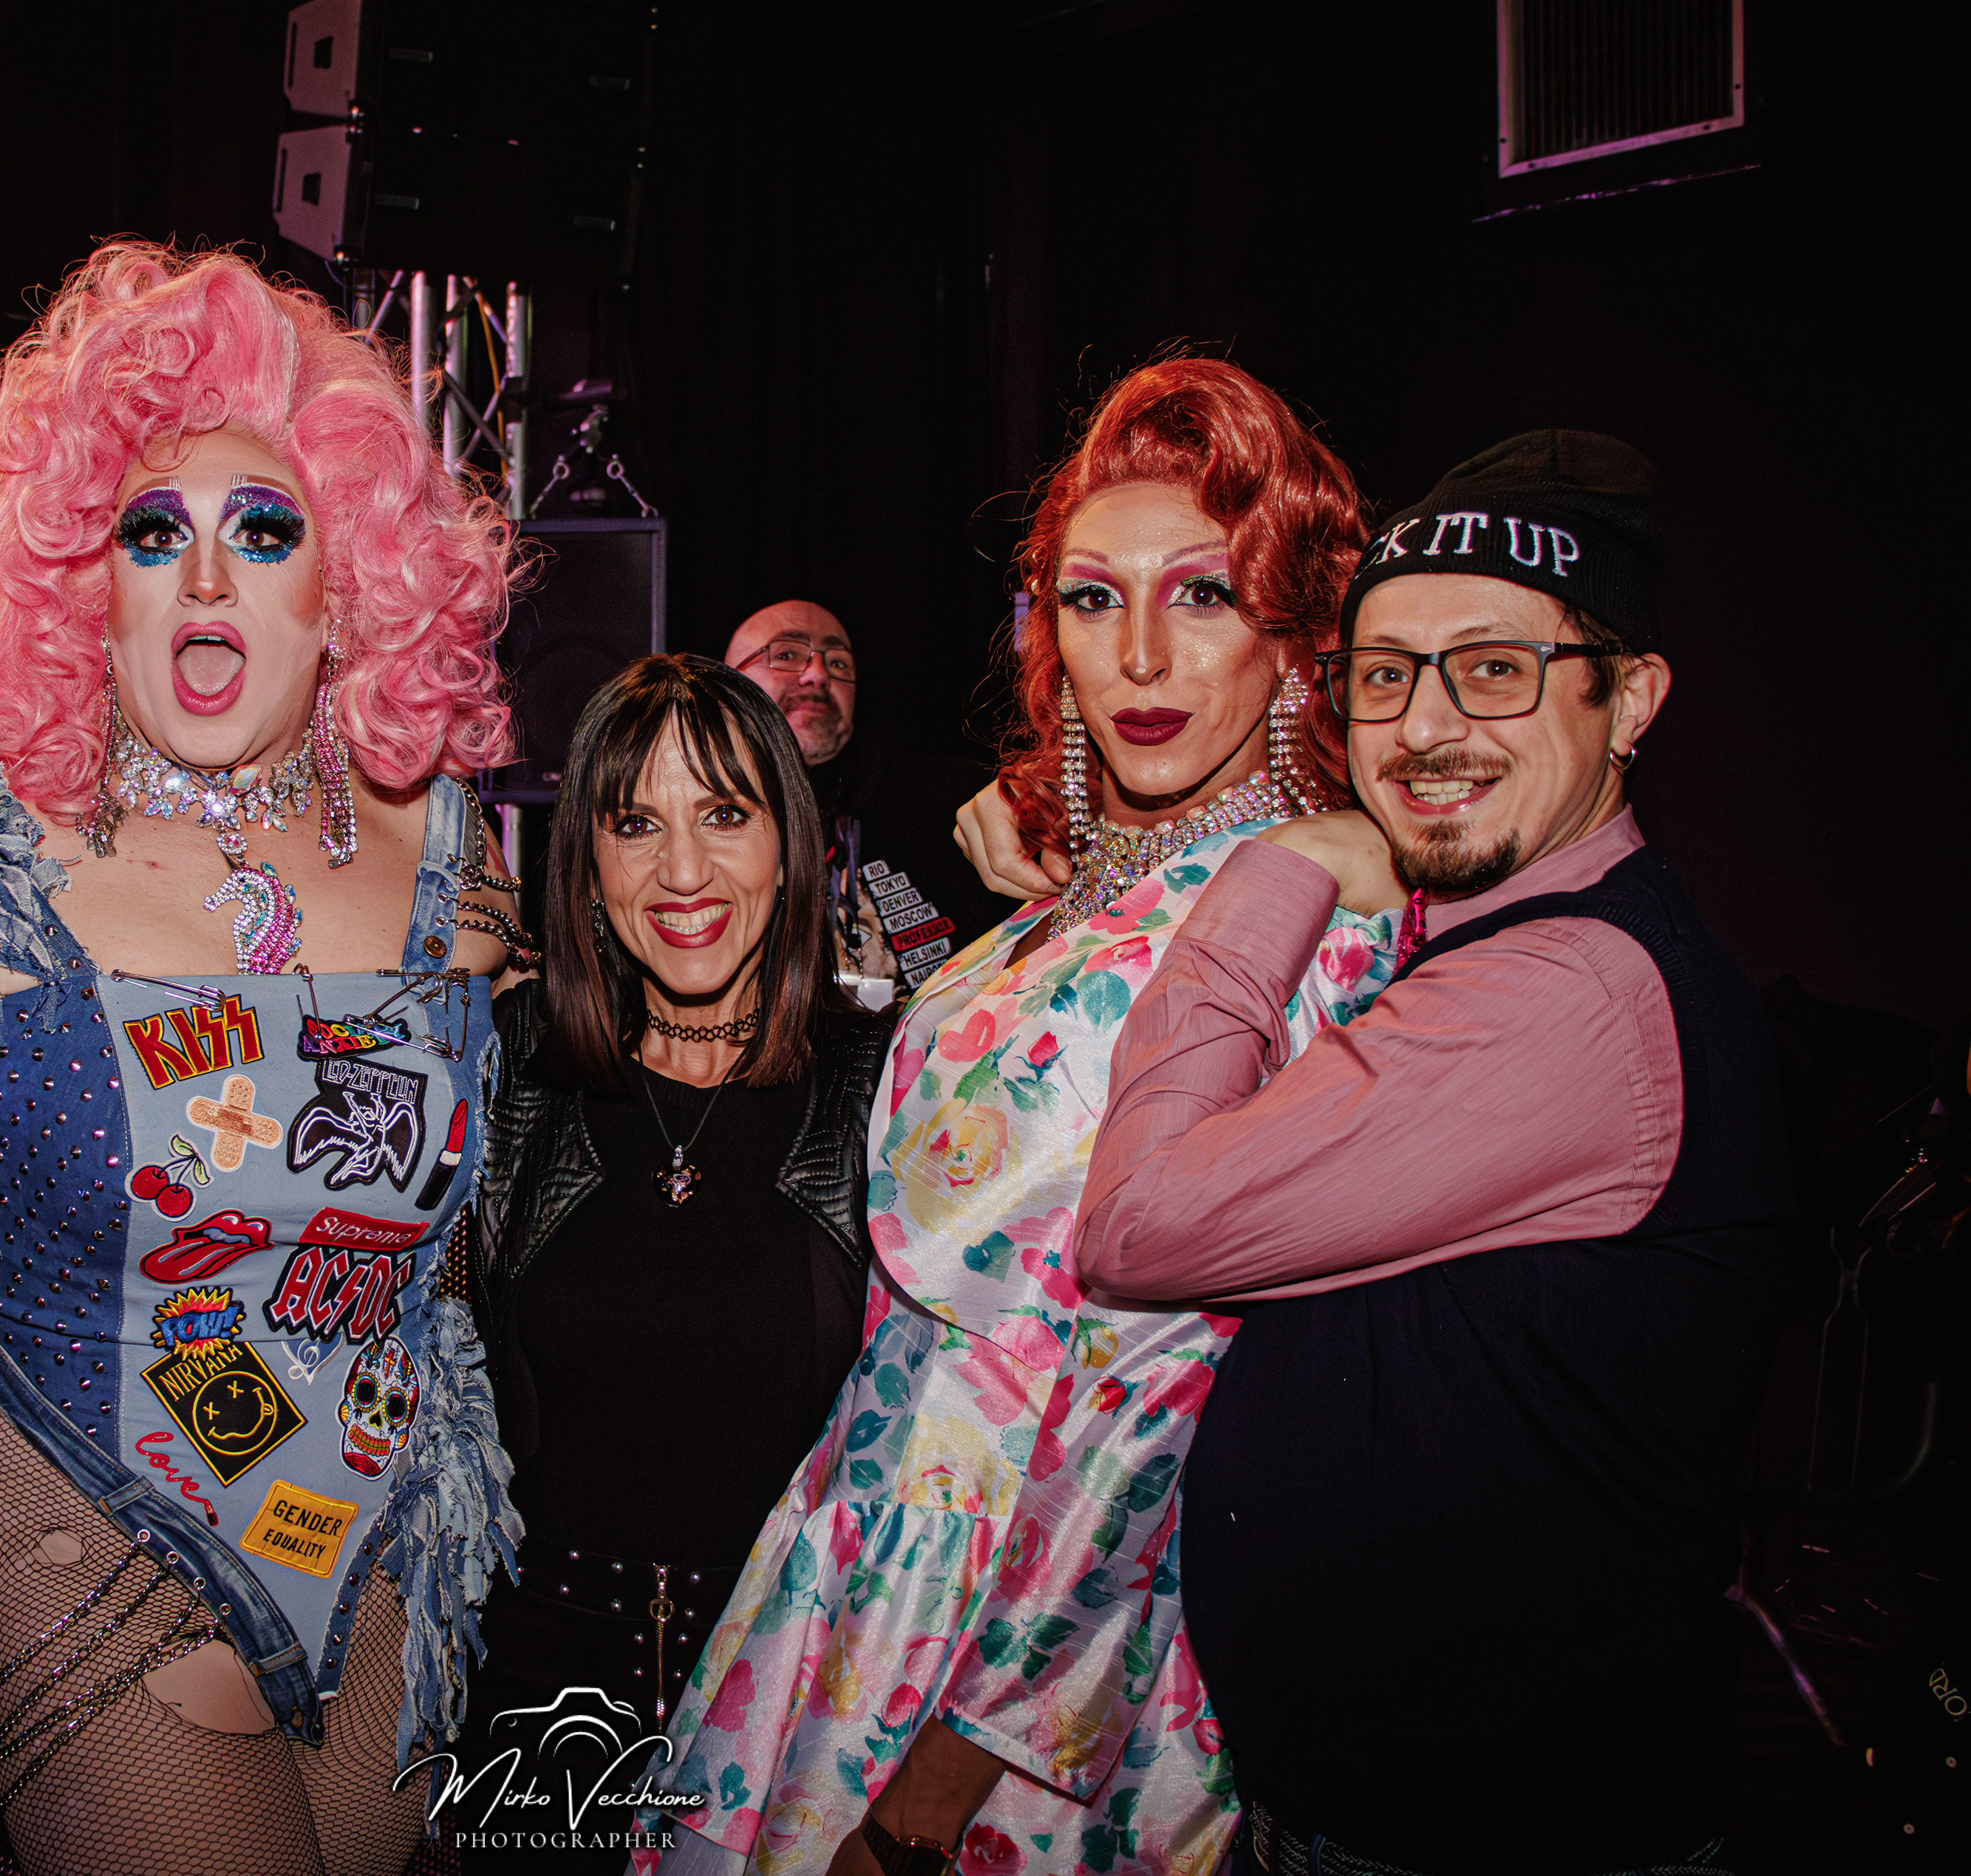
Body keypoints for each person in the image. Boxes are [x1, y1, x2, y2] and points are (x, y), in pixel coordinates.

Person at [654, 359, 1398, 1876]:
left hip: (1038, 1637)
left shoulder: (1311, 913)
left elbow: (1172, 1377)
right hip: (874, 1544)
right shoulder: (1080, 894)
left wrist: (956, 1764)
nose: (1141, 653)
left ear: (1294, 636)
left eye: (1203, 596)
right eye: (1093, 598)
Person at [0, 242, 528, 1876]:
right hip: (85, 1526)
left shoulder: (447, 848)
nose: (207, 578)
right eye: (154, 534)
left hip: (383, 1552)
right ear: (87, 586)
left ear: (346, 588)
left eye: (265, 531)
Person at [1071, 432, 1789, 1874]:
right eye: (1387, 675)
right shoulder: (1491, 945)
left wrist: (1276, 867)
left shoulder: (1571, 991)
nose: (1425, 726)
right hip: (1375, 1814)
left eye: (1496, 669)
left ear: (1630, 699)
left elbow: (1140, 1221)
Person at [457, 655, 897, 1868]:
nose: (684, 871)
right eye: (636, 824)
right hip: (534, 1709)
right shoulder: (510, 1070)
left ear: (791, 845)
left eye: (725, 815)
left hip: (794, 1706)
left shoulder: (887, 1082)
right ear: (587, 863)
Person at [726, 601, 1004, 997]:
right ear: (726, 686)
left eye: (838, 663)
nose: (818, 674)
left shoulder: (955, 801)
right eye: (786, 655)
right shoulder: (689, 815)